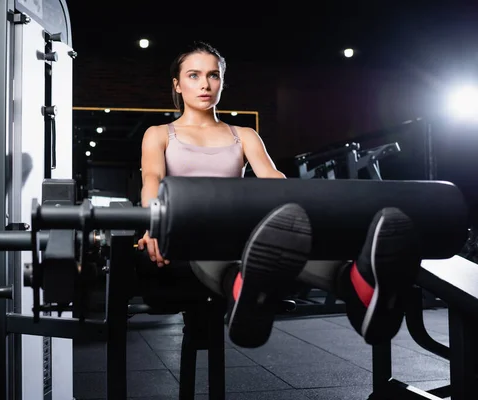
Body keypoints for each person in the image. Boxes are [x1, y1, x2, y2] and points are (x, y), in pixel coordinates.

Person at [137, 41, 421, 348]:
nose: (205, 84)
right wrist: (155, 221)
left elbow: (274, 179)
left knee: (288, 240)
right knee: (216, 240)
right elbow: (152, 179)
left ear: (221, 81)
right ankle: (243, 291)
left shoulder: (243, 135)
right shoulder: (159, 133)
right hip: (183, 229)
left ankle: (357, 286)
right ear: (177, 85)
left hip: (236, 229)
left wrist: (305, 216)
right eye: (194, 75)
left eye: (213, 75)